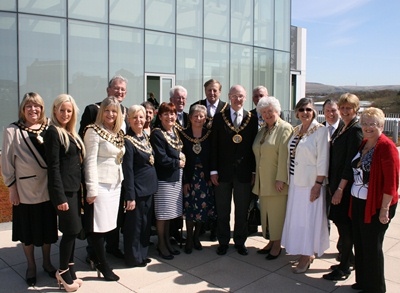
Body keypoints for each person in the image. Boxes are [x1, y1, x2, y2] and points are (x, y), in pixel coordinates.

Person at [1, 92, 58, 286]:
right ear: (23, 109)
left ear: (42, 108)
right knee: (28, 232)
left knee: (47, 229)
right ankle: (31, 265)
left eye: (37, 106)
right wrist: (12, 188)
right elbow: (7, 163)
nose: (33, 110)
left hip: (48, 188)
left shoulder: (50, 127)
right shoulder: (12, 130)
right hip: (25, 190)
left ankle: (48, 263)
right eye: (29, 106)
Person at [79, 75, 128, 264]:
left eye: (123, 90)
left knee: (113, 215)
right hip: (99, 178)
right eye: (116, 88)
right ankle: (93, 253)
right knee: (97, 220)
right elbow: (86, 147)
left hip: (117, 176)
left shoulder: (124, 111)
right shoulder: (94, 109)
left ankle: (113, 247)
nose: (119, 92)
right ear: (108, 90)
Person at [349, 107, 399, 293]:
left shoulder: (386, 147)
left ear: (381, 125)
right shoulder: (364, 143)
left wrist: (385, 209)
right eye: (365, 123)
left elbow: (391, 183)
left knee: (372, 246)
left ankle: (376, 288)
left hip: (377, 205)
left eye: (373, 124)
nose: (368, 127)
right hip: (359, 202)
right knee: (360, 243)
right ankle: (363, 281)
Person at [281, 97, 329, 273]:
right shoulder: (296, 130)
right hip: (295, 181)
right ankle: (302, 248)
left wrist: (318, 184)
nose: (305, 113)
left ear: (314, 111)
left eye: (308, 109)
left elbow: (323, 160)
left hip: (310, 183)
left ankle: (307, 255)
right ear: (296, 113)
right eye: (301, 110)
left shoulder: (320, 131)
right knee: (298, 218)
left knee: (309, 219)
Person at [210, 85, 258, 256]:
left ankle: (240, 241)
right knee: (223, 210)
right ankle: (223, 241)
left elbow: (254, 148)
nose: (238, 99)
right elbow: (213, 146)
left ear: (245, 98)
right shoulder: (218, 118)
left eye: (241, 96)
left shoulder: (251, 118)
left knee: (242, 210)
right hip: (222, 173)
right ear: (229, 97)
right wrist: (213, 171)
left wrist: (253, 172)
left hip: (244, 173)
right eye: (235, 96)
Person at [44, 94, 85, 291]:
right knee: (70, 232)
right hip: (63, 192)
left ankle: (70, 269)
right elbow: (53, 167)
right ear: (54, 110)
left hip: (74, 190)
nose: (65, 114)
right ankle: (61, 272)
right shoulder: (53, 132)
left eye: (69, 111)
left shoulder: (69, 132)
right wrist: (59, 197)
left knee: (74, 231)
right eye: (62, 110)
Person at [322, 93, 362, 281]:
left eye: (349, 108)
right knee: (341, 226)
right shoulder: (343, 128)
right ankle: (348, 259)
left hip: (344, 189)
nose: (345, 111)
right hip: (336, 184)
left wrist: (339, 189)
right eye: (343, 108)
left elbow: (350, 163)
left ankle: (344, 267)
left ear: (356, 109)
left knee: (345, 227)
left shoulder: (355, 131)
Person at [252, 96, 293, 260]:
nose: (267, 114)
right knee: (267, 215)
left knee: (277, 215)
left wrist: (281, 179)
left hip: (276, 182)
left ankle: (277, 245)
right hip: (263, 181)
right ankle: (270, 241)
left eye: (270, 111)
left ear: (277, 110)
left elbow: (285, 157)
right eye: (263, 112)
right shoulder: (263, 130)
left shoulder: (285, 128)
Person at [122, 105, 158, 268]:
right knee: (134, 226)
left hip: (149, 188)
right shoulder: (128, 140)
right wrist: (130, 196)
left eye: (141, 117)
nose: (138, 120)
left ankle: (142, 254)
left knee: (145, 225)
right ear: (128, 119)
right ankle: (133, 257)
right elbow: (127, 171)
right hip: (136, 190)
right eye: (135, 117)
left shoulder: (144, 135)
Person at [150, 102, 185, 260]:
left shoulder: (175, 131)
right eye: (166, 114)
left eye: (172, 114)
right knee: (162, 215)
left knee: (171, 213)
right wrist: (177, 162)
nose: (170, 117)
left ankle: (167, 242)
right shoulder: (157, 133)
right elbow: (161, 158)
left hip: (176, 178)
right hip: (164, 179)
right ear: (160, 116)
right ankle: (161, 244)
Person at [180, 104, 216, 254]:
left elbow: (212, 156)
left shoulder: (209, 134)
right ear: (190, 117)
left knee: (202, 209)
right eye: (196, 116)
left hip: (204, 177)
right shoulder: (183, 134)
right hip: (190, 176)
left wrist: (209, 176)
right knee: (190, 209)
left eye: (202, 116)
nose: (198, 119)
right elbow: (182, 158)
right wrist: (185, 181)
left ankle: (196, 237)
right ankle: (188, 238)